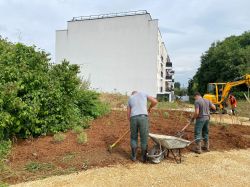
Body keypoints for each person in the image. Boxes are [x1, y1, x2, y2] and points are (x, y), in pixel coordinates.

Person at [127, 91, 158, 162]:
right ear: (137, 93)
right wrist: (150, 107)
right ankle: (143, 158)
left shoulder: (130, 98)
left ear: (132, 94)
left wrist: (131, 123)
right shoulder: (143, 93)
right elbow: (155, 101)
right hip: (143, 118)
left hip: (133, 118)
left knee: (133, 138)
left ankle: (134, 157)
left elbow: (128, 114)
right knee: (144, 138)